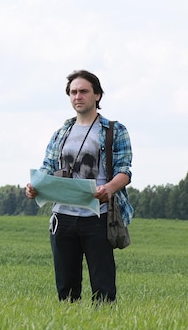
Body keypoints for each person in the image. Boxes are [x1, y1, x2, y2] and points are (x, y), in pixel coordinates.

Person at [25, 69, 134, 303]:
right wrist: (34, 186)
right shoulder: (62, 132)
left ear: (97, 95)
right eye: (73, 92)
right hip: (62, 217)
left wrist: (110, 188)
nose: (78, 96)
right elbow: (47, 166)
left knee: (103, 288)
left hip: (98, 215)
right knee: (66, 288)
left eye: (83, 91)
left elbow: (124, 171)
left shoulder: (114, 130)